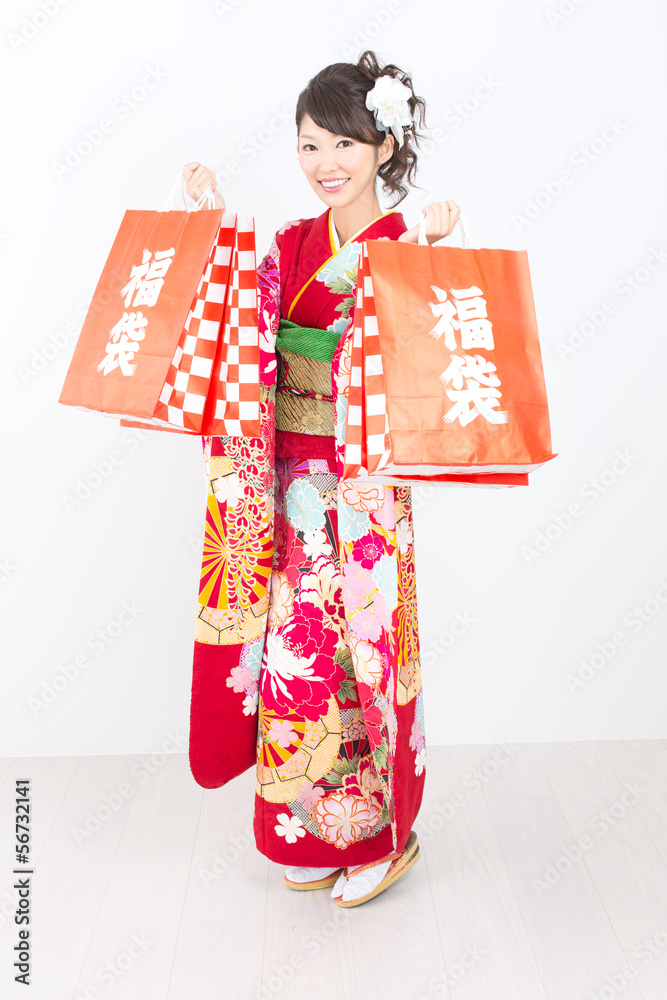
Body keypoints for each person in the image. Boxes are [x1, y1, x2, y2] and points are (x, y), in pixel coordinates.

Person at [183, 50, 460, 908]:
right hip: (286, 479)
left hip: (363, 482)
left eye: (343, 143)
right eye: (308, 147)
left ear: (382, 144)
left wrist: (433, 254)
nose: (324, 164)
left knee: (365, 651)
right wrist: (213, 220)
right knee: (294, 657)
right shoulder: (292, 246)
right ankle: (309, 824)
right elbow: (240, 321)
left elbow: (430, 364)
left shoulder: (407, 238)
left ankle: (384, 832)